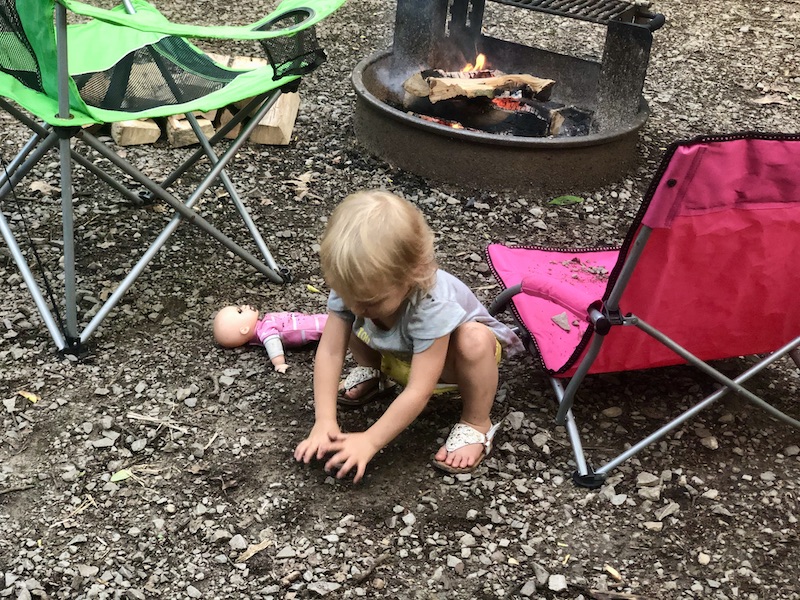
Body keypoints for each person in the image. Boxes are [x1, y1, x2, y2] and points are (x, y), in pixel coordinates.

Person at [293, 190, 523, 482]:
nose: (358, 306)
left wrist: (370, 440)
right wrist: (324, 420)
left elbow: (419, 390)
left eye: (372, 301)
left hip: (451, 365)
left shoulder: (431, 304)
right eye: (349, 295)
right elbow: (330, 352)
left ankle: (476, 423)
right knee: (342, 320)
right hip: (400, 351)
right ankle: (375, 372)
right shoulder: (357, 286)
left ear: (413, 274)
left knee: (474, 340)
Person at [213, 305, 327, 373]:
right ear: (244, 329)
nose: (244, 306)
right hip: (304, 327)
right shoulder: (264, 330)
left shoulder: (262, 325)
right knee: (331, 324)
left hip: (302, 321)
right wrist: (279, 363)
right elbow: (272, 342)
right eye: (240, 311)